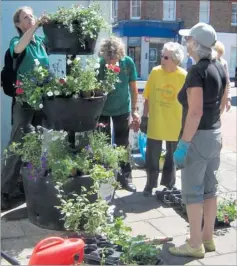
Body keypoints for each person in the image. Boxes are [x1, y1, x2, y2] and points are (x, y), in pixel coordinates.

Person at [169, 23, 227, 258]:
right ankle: (207, 238)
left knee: (193, 192)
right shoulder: (220, 67)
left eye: (189, 39)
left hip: (198, 137)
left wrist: (183, 144)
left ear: (196, 44)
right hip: (215, 134)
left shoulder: (197, 71)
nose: (186, 43)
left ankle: (194, 245)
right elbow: (223, 102)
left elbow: (195, 112)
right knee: (210, 190)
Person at [1, 6, 49, 210]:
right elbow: (19, 48)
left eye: (32, 16)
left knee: (37, 144)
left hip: (41, 102)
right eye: (25, 17)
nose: (30, 19)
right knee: (17, 145)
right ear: (18, 24)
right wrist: (36, 26)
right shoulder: (17, 42)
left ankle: (28, 188)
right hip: (23, 101)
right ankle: (4, 191)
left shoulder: (41, 44)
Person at [140, 42, 187, 196]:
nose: (162, 59)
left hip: (175, 122)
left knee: (171, 156)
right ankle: (150, 183)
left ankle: (169, 184)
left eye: (165, 57)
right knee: (152, 155)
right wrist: (144, 117)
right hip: (156, 121)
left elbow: (188, 101)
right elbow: (146, 97)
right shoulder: (155, 72)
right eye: (162, 56)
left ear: (175, 59)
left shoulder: (183, 76)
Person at [97, 36, 140, 192]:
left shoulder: (127, 62)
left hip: (122, 109)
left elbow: (133, 89)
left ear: (119, 54)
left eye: (113, 59)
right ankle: (105, 179)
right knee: (103, 144)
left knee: (123, 144)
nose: (111, 63)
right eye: (108, 59)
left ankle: (125, 179)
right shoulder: (100, 64)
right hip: (102, 110)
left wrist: (134, 110)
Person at [214, 41, 232, 112]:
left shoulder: (224, 63)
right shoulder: (208, 62)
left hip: (221, 97)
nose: (219, 56)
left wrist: (228, 99)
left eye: (221, 53)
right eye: (218, 53)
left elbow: (227, 82)